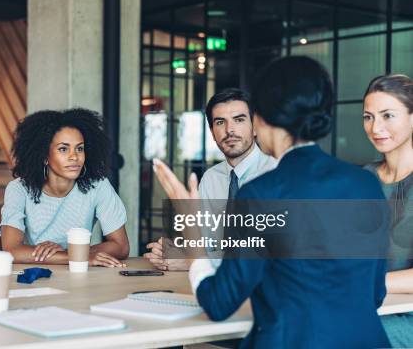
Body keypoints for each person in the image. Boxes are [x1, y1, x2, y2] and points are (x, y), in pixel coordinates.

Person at [152, 57, 390, 348]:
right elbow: (375, 293)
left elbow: (218, 303)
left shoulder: (260, 195)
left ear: (260, 120)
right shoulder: (364, 183)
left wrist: (189, 224)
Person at [143, 88, 276, 271]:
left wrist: (193, 262)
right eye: (220, 122)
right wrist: (180, 250)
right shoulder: (211, 179)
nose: (230, 130)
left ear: (255, 127)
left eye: (239, 120)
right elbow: (209, 245)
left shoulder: (276, 175)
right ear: (213, 133)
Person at [0, 108, 129, 267]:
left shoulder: (98, 186)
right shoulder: (18, 189)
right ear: (44, 155)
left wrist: (74, 254)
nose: (74, 156)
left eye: (79, 148)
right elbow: (11, 250)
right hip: (36, 275)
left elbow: (121, 246)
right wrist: (76, 257)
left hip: (79, 275)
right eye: (63, 149)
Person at [362, 74, 413, 347]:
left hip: (407, 317)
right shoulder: (361, 179)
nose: (375, 127)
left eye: (387, 115)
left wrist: (366, 281)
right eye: (368, 117)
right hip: (363, 307)